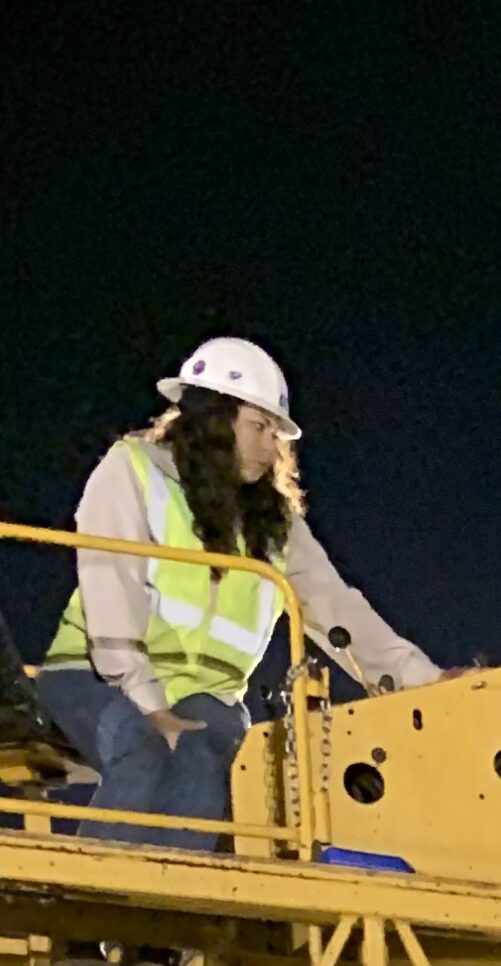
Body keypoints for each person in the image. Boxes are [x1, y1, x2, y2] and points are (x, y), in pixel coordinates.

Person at [38, 339, 438, 850]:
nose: (271, 446)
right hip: (97, 674)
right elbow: (111, 587)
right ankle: (86, 893)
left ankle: (169, 898)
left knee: (206, 756)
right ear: (213, 418)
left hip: (209, 694)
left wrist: (425, 681)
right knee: (142, 744)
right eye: (258, 426)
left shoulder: (275, 523)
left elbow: (336, 607)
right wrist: (153, 705)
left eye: (276, 434)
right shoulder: (133, 470)